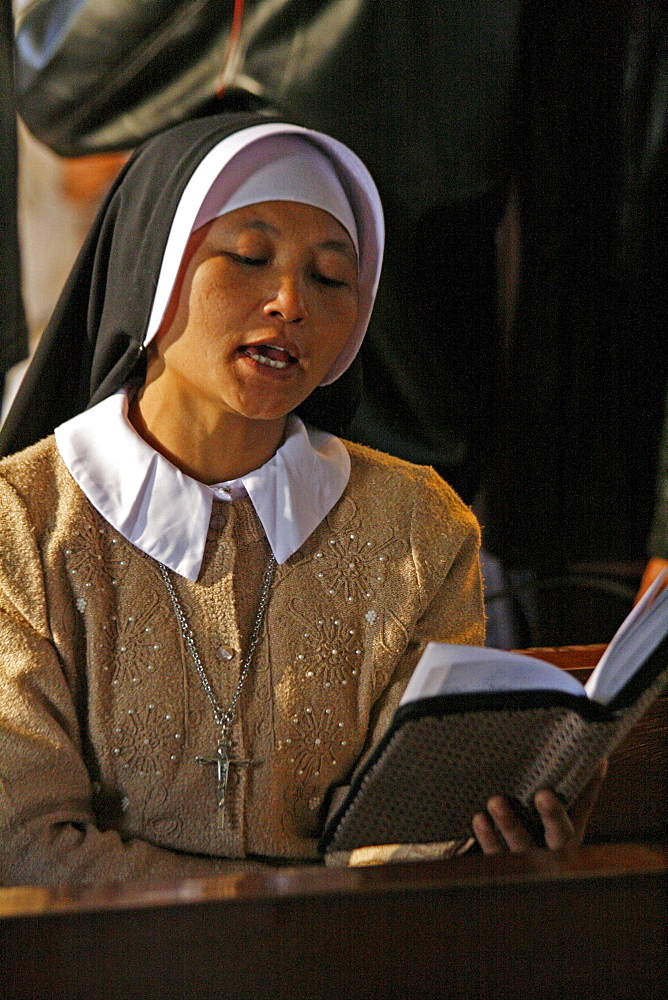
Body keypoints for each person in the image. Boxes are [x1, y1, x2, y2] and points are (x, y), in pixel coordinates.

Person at [0, 114, 601, 886]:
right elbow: (21, 841)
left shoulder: (418, 527)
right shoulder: (22, 522)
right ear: (152, 269)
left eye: (329, 277)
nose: (290, 301)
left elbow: (409, 822)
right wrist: (273, 905)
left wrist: (480, 843)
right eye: (249, 258)